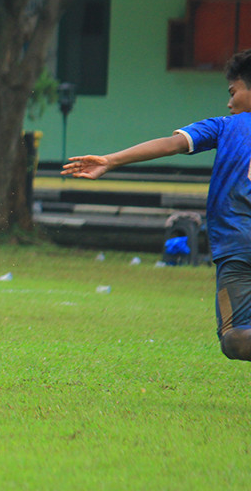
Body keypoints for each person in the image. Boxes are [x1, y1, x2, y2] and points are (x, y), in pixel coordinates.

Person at [63, 48, 251, 362]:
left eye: (233, 92)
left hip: (238, 244)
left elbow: (171, 144)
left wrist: (110, 160)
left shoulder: (225, 126)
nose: (229, 102)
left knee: (234, 339)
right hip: (237, 245)